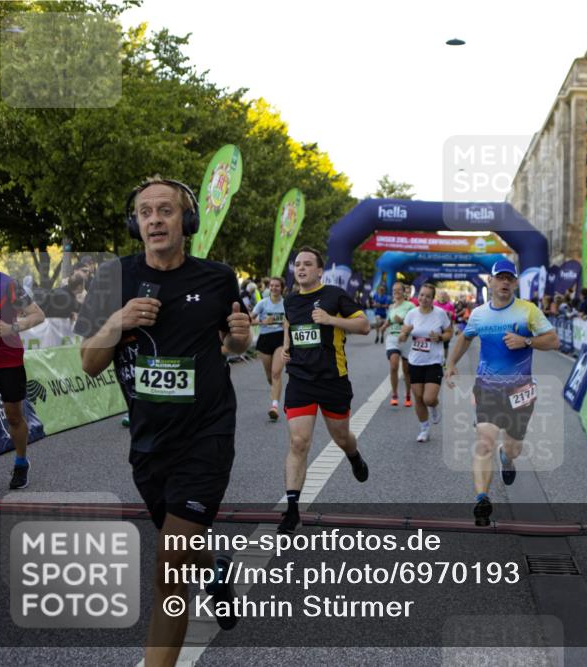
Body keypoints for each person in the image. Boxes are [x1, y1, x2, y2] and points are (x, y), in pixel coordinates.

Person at [75, 177, 252, 663]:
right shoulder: (114, 278)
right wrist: (118, 321)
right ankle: (215, 568)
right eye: (145, 212)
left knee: (169, 567)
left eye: (166, 210)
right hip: (149, 442)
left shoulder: (218, 278)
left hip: (207, 434)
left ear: (186, 220)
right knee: (183, 545)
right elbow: (89, 363)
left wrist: (240, 338)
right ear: (136, 224)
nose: (155, 219)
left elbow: (233, 345)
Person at [444, 260, 559, 526]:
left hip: (521, 391)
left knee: (513, 447)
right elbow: (465, 337)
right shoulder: (479, 314)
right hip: (487, 388)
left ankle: (507, 458)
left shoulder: (528, 311)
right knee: (484, 441)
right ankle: (482, 499)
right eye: (500, 277)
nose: (505, 282)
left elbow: (554, 341)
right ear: (491, 282)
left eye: (509, 278)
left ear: (515, 283)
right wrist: (451, 364)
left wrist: (526, 341)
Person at [278, 246, 370, 534]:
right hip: (300, 380)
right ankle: (292, 509)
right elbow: (289, 322)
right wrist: (286, 346)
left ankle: (353, 455)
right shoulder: (290, 300)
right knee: (298, 442)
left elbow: (364, 325)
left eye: (308, 264)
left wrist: (331, 320)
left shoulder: (334, 295)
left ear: (319, 271)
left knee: (341, 438)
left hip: (333, 380)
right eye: (298, 264)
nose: (301, 268)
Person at [0, 240, 46, 490]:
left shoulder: (7, 285)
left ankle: (21, 462)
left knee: (14, 417)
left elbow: (38, 315)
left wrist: (11, 327)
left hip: (8, 360)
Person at [399, 283, 452, 442]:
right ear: (418, 296)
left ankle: (434, 406)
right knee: (419, 398)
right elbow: (402, 337)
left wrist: (440, 337)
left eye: (428, 296)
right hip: (415, 361)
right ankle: (424, 429)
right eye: (422, 295)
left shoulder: (440, 314)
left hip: (434, 361)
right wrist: (404, 334)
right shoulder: (411, 314)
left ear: (432, 299)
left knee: (428, 399)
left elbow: (449, 332)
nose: (424, 298)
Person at [251, 276, 287, 420]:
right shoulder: (263, 303)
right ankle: (275, 392)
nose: (273, 288)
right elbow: (250, 320)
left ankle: (274, 406)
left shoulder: (286, 304)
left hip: (280, 339)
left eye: (277, 286)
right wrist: (262, 322)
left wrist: (286, 324)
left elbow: (291, 322)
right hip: (265, 339)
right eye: (271, 285)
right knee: (270, 377)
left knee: (276, 373)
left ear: (282, 288)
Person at [382, 282, 415, 408]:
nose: (396, 292)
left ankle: (408, 395)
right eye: (394, 290)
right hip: (392, 338)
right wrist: (384, 326)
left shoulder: (410, 306)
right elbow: (389, 320)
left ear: (403, 291)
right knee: (394, 365)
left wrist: (402, 321)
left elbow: (415, 322)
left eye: (398, 290)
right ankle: (394, 394)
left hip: (406, 339)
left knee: (407, 371)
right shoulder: (391, 306)